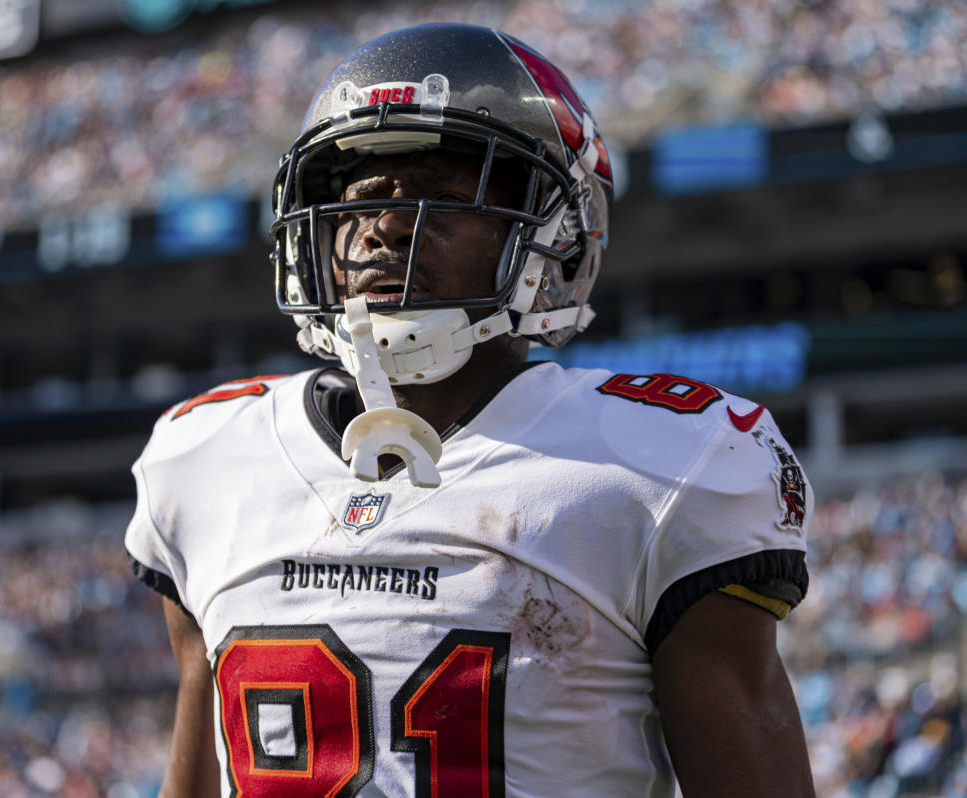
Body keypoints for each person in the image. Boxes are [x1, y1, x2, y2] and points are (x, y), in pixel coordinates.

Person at [125, 23, 815, 798]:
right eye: (361, 199)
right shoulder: (206, 457)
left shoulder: (654, 469)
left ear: (557, 237)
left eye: (442, 196)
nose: (384, 227)